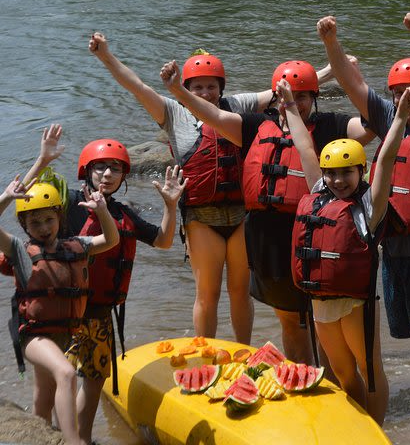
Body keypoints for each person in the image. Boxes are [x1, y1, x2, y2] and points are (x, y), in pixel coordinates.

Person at [160, 58, 375, 366]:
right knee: (289, 322)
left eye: (303, 96)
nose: (296, 103)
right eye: (291, 95)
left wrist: (349, 73)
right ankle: (301, 375)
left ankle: (333, 384)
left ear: (315, 97)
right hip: (270, 242)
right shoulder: (254, 125)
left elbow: (370, 126)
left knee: (325, 323)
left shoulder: (332, 126)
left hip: (317, 236)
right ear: (276, 96)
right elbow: (214, 114)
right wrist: (178, 90)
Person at [317, 12, 410, 433]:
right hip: (396, 250)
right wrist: (332, 43)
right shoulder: (392, 120)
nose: (407, 98)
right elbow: (354, 86)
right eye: (399, 91)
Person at [88, 33, 264, 344]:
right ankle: (206, 356)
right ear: (186, 88)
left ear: (221, 87)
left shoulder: (237, 105)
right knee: (207, 293)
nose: (206, 93)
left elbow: (284, 88)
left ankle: (243, 353)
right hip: (201, 217)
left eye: (212, 86)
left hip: (241, 215)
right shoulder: (173, 111)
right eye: (198, 87)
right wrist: (105, 56)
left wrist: (334, 67)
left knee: (240, 292)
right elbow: (137, 87)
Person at [23, 128, 186, 445]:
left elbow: (164, 241)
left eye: (115, 168)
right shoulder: (67, 204)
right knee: (57, 382)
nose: (108, 174)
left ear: (124, 174)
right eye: (100, 167)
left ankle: (81, 438)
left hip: (99, 312)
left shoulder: (123, 214)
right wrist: (43, 159)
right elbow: (26, 196)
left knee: (95, 379)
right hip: (63, 314)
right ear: (86, 171)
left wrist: (170, 205)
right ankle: (50, 437)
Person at [278, 77, 410, 424]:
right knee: (341, 372)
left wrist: (399, 118)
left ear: (360, 171)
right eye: (332, 174)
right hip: (320, 303)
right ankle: (353, 427)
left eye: (347, 174)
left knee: (369, 371)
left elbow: (385, 161)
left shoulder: (370, 204)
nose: (339, 181)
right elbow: (306, 148)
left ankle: (376, 431)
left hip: (357, 304)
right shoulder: (318, 191)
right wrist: (291, 106)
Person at [0, 178, 119, 445]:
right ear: (23, 225)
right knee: (65, 373)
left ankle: (37, 438)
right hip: (34, 337)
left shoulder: (76, 246)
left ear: (59, 217)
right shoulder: (20, 251)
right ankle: (72, 441)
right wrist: (7, 197)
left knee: (43, 399)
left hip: (63, 335)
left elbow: (111, 239)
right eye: (34, 223)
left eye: (48, 220)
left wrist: (102, 210)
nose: (43, 229)